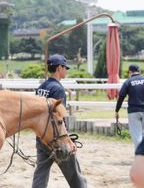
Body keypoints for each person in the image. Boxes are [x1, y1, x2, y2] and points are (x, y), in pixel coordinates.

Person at [32, 54, 87, 188]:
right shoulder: (57, 89)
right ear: (59, 68)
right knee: (74, 175)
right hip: (57, 139)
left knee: (41, 174)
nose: (66, 71)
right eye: (65, 68)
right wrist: (67, 139)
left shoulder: (42, 87)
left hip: (42, 137)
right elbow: (59, 117)